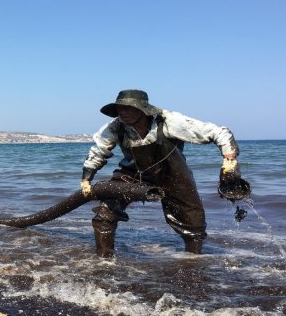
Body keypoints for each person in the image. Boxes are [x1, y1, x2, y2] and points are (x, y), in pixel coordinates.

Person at [80, 89, 244, 257]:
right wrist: (86, 179)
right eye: (120, 109)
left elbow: (219, 132)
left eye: (128, 108)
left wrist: (229, 161)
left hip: (173, 175)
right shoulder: (114, 127)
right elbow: (98, 152)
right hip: (133, 174)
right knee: (104, 214)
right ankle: (104, 261)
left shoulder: (168, 121)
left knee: (193, 228)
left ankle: (192, 263)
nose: (123, 112)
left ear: (143, 109)